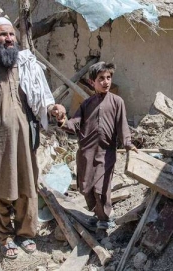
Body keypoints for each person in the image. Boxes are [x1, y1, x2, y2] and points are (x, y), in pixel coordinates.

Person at [0, 17, 66, 259]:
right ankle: (3, 235)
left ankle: (26, 234)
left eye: (11, 35)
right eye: (2, 35)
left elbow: (41, 100)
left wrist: (53, 109)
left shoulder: (27, 68)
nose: (9, 39)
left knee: (26, 187)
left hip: (25, 141)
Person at [58, 62, 138, 230]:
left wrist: (128, 143)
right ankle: (97, 213)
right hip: (86, 153)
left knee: (101, 188)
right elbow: (74, 124)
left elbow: (122, 125)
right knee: (86, 188)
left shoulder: (117, 102)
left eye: (108, 78)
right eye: (101, 78)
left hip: (106, 152)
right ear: (92, 82)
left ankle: (105, 217)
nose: (106, 82)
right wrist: (63, 121)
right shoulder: (87, 104)